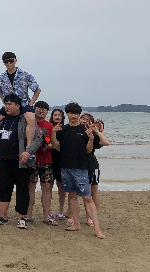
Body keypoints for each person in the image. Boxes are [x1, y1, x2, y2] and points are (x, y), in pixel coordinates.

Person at [50, 102, 105, 239]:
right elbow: (56, 146)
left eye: (75, 113)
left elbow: (88, 150)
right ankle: (76, 223)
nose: (73, 116)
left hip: (80, 168)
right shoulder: (63, 129)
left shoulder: (84, 129)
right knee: (72, 195)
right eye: (70, 113)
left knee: (87, 197)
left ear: (79, 114)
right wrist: (53, 133)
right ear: (67, 114)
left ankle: (97, 229)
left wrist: (91, 138)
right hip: (65, 167)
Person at [0, 94, 42, 229]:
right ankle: (2, 216)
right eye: (5, 104)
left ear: (18, 106)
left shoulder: (25, 120)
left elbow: (38, 139)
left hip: (21, 161)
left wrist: (28, 152)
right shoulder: (2, 120)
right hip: (3, 160)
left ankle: (22, 218)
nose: (7, 106)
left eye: (10, 104)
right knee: (3, 188)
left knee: (22, 189)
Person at [0, 52, 40, 153]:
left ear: (15, 60)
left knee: (31, 119)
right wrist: (5, 103)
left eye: (11, 61)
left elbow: (37, 90)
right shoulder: (1, 77)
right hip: (9, 104)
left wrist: (31, 104)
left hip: (24, 103)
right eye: (6, 62)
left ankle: (28, 147)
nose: (9, 63)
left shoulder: (25, 75)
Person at [27, 101, 57, 225]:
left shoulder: (50, 126)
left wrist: (49, 146)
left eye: (44, 109)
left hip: (46, 160)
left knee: (46, 188)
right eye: (39, 108)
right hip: (31, 160)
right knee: (30, 187)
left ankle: (46, 216)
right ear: (34, 109)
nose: (41, 110)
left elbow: (54, 144)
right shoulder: (29, 123)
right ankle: (28, 215)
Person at [79, 113, 109, 227]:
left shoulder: (93, 134)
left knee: (93, 191)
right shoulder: (76, 131)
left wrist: (98, 130)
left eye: (87, 120)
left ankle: (90, 217)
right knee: (77, 192)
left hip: (91, 165)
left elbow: (105, 142)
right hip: (78, 164)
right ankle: (72, 215)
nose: (84, 121)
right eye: (82, 118)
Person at [49, 108, 67, 220]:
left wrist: (54, 146)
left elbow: (63, 145)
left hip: (61, 161)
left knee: (61, 187)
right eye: (55, 115)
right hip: (50, 160)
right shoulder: (49, 127)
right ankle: (48, 210)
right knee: (48, 187)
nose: (57, 117)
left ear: (62, 117)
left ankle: (61, 210)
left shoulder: (65, 129)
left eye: (59, 115)